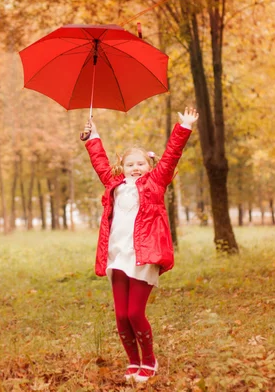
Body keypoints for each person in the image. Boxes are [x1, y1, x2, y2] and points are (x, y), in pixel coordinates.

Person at [82, 107, 199, 383]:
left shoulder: (155, 183)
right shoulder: (115, 184)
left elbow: (171, 157)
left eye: (140, 164)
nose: (135, 168)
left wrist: (184, 128)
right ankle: (133, 363)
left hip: (144, 255)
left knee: (135, 312)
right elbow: (99, 162)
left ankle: (149, 361)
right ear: (122, 167)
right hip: (117, 255)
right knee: (121, 316)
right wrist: (91, 137)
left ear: (149, 166)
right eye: (130, 164)